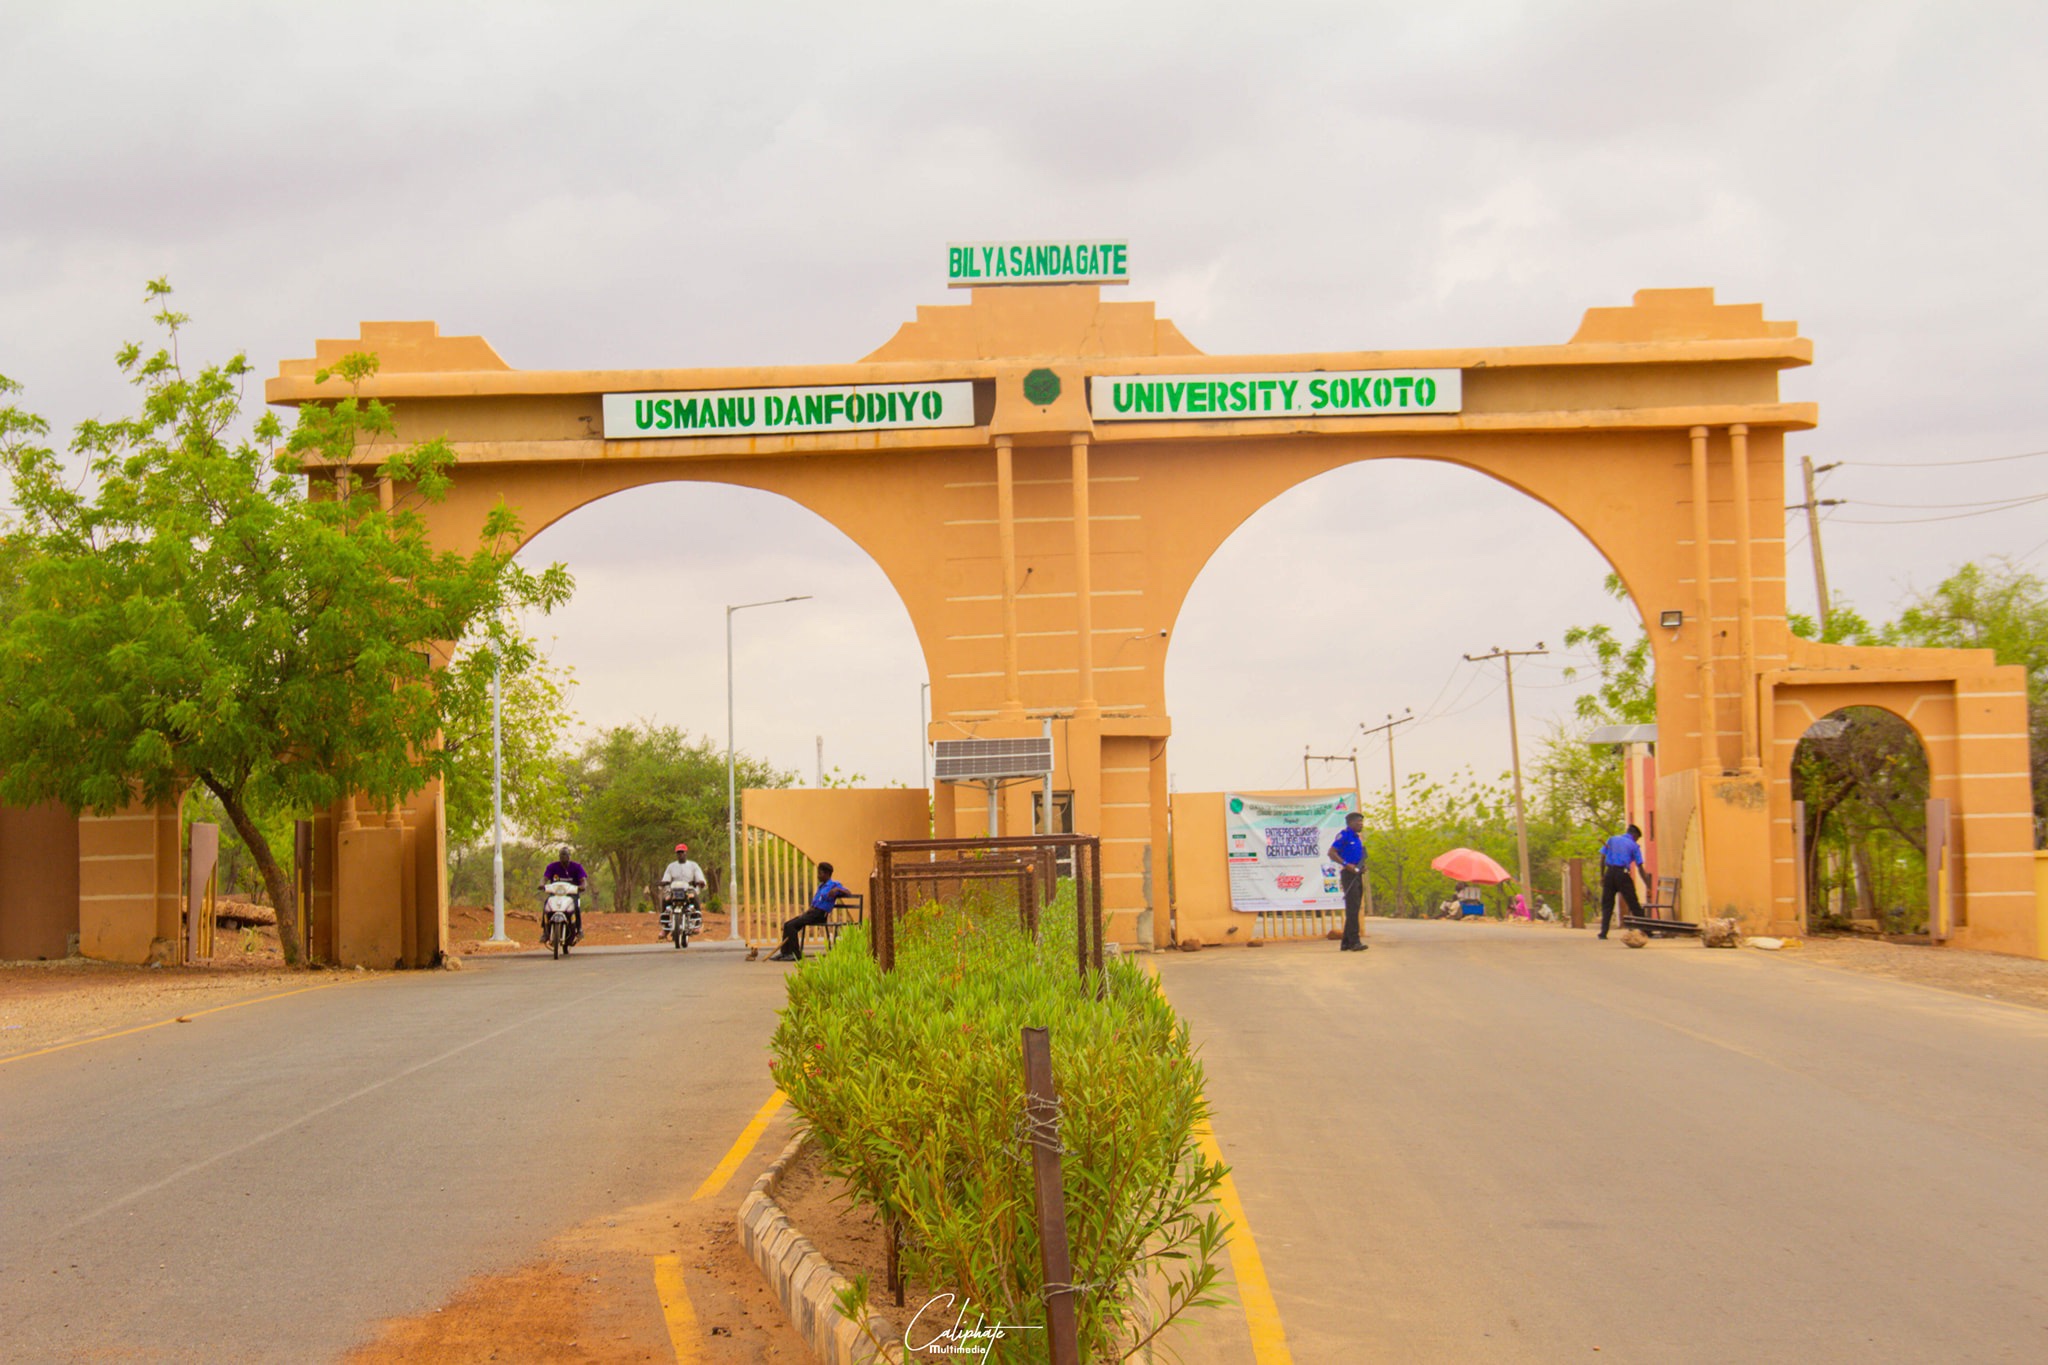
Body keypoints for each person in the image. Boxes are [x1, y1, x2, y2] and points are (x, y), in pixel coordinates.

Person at [768, 862, 853, 962]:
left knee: (792, 926)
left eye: (820, 873)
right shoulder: (821, 886)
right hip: (812, 913)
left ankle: (795, 954)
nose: (818, 876)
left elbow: (848, 893)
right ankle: (785, 953)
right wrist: (807, 911)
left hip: (820, 914)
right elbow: (815, 902)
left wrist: (837, 889)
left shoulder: (834, 884)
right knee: (788, 924)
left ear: (827, 874)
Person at [1326, 812, 1369, 952]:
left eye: (1362, 822)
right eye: (1358, 822)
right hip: (1348, 874)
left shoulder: (1357, 838)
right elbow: (1331, 853)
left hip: (1357, 874)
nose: (1360, 824)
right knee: (1352, 909)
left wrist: (1361, 866)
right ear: (1350, 823)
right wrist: (1346, 864)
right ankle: (1354, 941)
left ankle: (1346, 942)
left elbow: (1357, 855)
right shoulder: (1344, 835)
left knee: (1355, 908)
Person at [1598, 823, 1648, 939]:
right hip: (1623, 874)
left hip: (1609, 873)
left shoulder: (1612, 840)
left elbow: (1602, 858)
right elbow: (1640, 867)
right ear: (1634, 835)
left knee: (1607, 904)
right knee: (1633, 903)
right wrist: (1647, 885)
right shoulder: (1634, 846)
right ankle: (1646, 930)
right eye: (1637, 838)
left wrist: (1602, 876)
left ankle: (1603, 932)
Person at [542, 846, 588, 945]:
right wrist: (542, 884)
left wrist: (582, 886)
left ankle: (579, 929)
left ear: (569, 856)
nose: (563, 857)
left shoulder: (577, 867)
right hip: (556, 894)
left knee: (575, 906)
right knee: (547, 905)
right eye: (561, 855)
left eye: (565, 855)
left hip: (571, 894)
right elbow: (545, 878)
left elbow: (583, 880)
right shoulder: (552, 866)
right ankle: (545, 931)